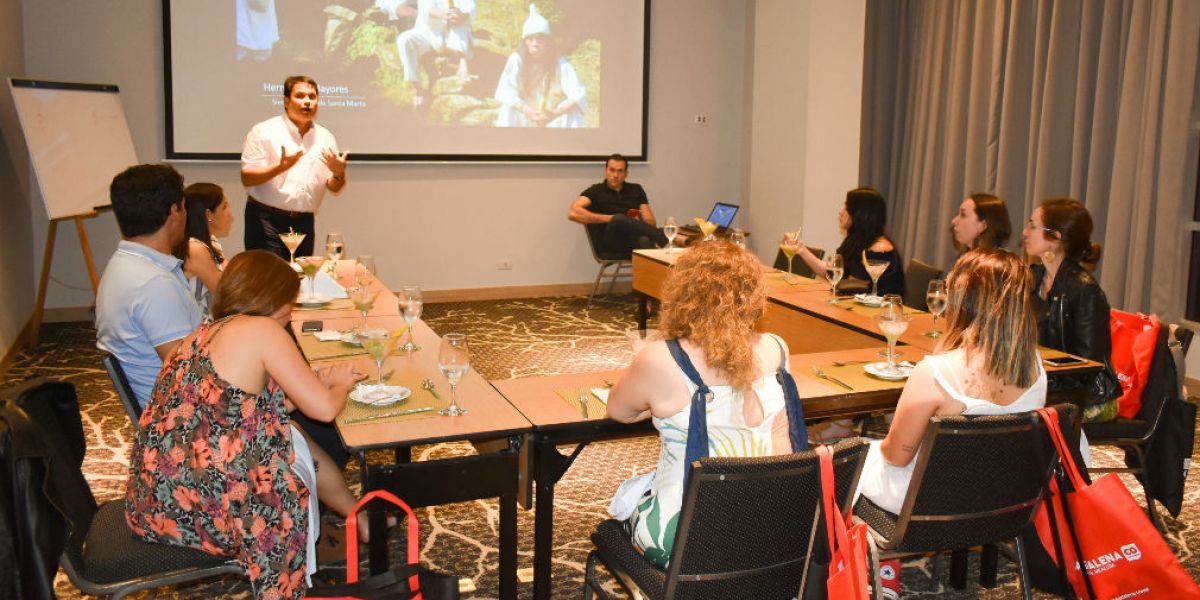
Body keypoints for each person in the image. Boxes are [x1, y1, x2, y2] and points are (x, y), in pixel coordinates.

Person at [125, 251, 363, 600]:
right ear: (276, 300)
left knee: (289, 435)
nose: (291, 314)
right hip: (209, 507)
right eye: (291, 304)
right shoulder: (262, 329)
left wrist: (310, 382)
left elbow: (252, 410)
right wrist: (341, 383)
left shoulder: (200, 335)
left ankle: (358, 518)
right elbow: (325, 410)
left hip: (155, 498)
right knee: (284, 470)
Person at [607, 242, 804, 568]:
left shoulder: (661, 358)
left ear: (682, 293)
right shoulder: (776, 349)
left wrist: (655, 404)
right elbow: (784, 437)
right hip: (772, 534)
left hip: (689, 541)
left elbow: (619, 411)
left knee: (626, 501)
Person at [96, 164, 202, 409]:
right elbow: (189, 377)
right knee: (298, 408)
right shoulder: (154, 284)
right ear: (174, 211)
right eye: (184, 206)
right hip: (182, 423)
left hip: (165, 408)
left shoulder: (123, 264)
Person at [1023, 197, 1121, 422]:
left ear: (1054, 238)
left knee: (1012, 407)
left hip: (1091, 395)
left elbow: (1088, 365)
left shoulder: (1084, 290)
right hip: (1047, 382)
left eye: (1032, 225)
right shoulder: (1034, 277)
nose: (1025, 232)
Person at [241, 75, 349, 261]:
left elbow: (334, 186)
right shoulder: (264, 131)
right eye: (300, 96)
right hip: (266, 219)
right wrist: (280, 167)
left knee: (301, 280)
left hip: (304, 222)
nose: (307, 101)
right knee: (270, 281)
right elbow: (247, 177)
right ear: (286, 101)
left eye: (312, 97)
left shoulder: (326, 137)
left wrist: (339, 173)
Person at [795, 186, 905, 297]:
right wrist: (801, 250)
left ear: (860, 214)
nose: (841, 212)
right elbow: (833, 272)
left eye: (846, 208)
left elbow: (853, 287)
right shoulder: (855, 240)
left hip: (879, 310)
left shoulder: (879, 249)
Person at [494, 4, 587, 128]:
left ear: (548, 41)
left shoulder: (559, 63)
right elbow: (505, 91)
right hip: (524, 114)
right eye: (530, 39)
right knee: (508, 109)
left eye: (540, 39)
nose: (535, 44)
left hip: (551, 116)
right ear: (524, 42)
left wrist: (554, 113)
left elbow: (578, 94)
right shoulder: (517, 60)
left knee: (572, 113)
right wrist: (526, 110)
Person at [568, 154, 666, 258]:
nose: (615, 175)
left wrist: (636, 222)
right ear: (605, 171)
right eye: (612, 170)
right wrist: (611, 218)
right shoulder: (596, 191)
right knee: (618, 218)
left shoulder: (636, 189)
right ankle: (665, 237)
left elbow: (650, 221)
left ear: (626, 174)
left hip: (633, 240)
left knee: (645, 240)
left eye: (620, 171)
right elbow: (573, 213)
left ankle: (651, 273)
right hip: (611, 244)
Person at [395, 0, 477, 109]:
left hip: (453, 33)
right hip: (429, 32)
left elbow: (470, 7)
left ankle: (463, 66)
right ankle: (418, 88)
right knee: (404, 40)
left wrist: (461, 15)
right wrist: (443, 14)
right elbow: (426, 9)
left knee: (460, 25)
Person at [176, 183, 233, 318]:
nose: (230, 213)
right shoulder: (194, 249)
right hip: (202, 330)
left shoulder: (210, 242)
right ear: (208, 214)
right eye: (224, 207)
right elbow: (226, 295)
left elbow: (231, 279)